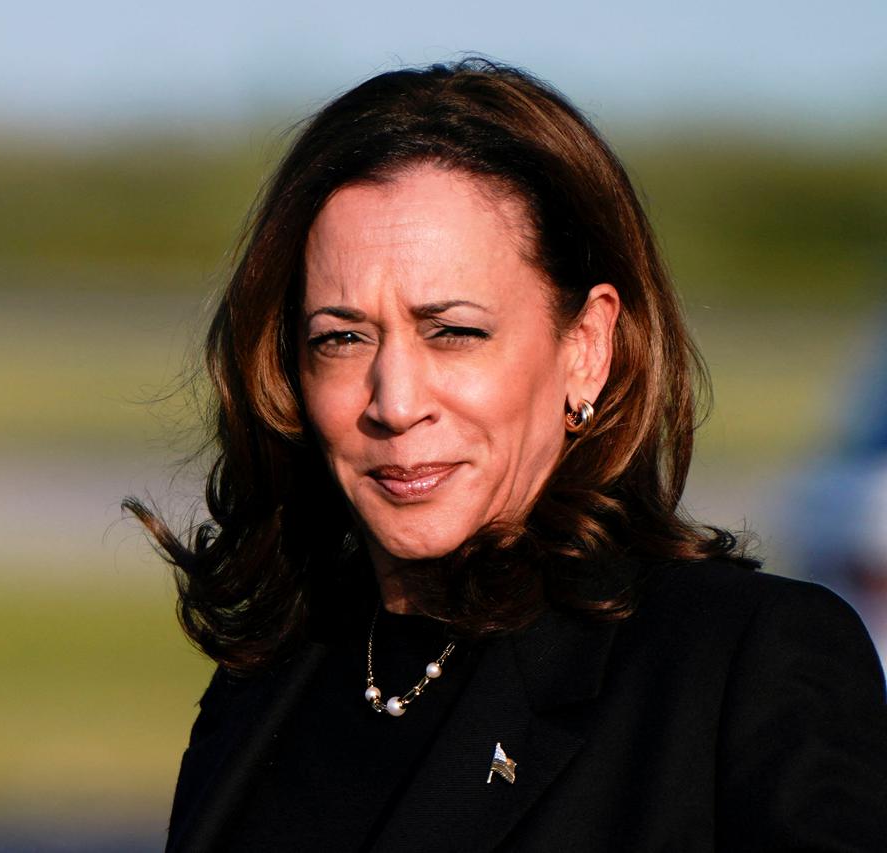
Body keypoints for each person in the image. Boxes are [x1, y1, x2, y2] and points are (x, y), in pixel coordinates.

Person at [126, 60, 887, 852]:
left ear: (586, 346)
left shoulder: (737, 665)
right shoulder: (267, 681)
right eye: (341, 337)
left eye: (452, 331)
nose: (393, 399)